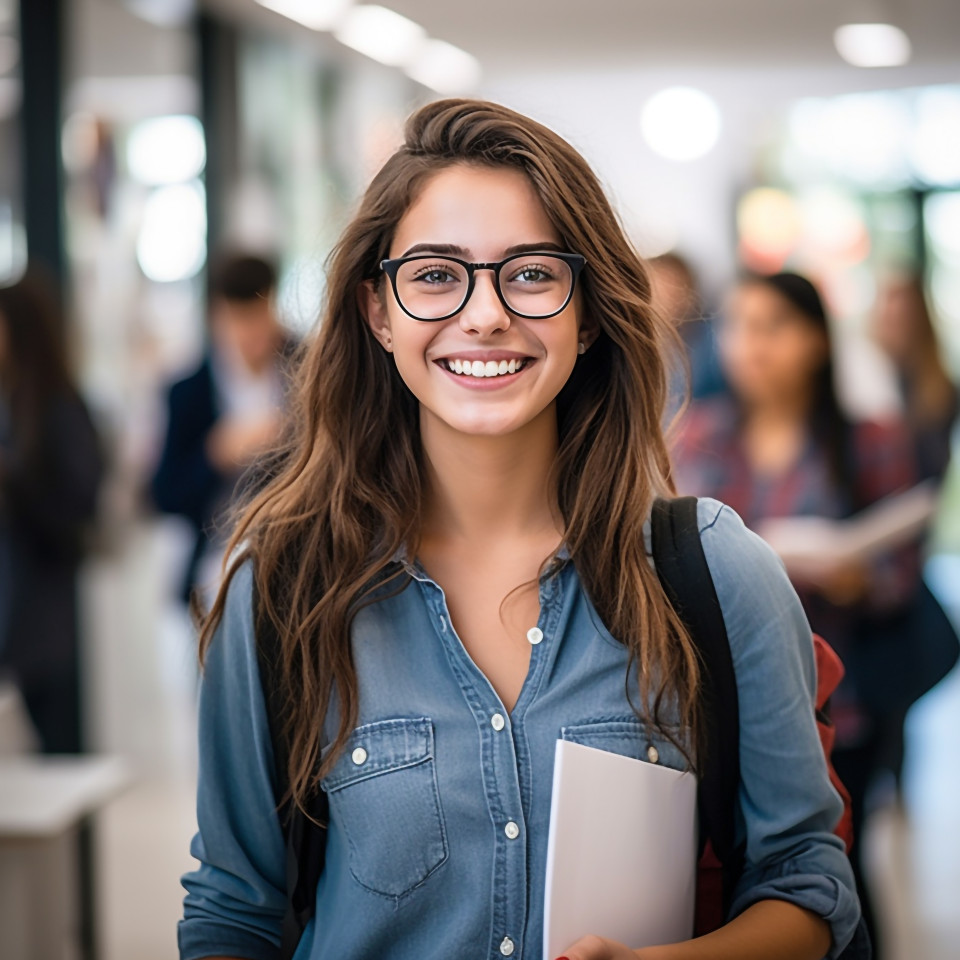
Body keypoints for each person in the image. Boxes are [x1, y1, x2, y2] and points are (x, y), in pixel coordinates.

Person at [179, 100, 860, 960]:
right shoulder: (283, 587)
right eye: (435, 274)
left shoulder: (715, 571)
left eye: (531, 273)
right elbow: (233, 914)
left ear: (589, 312)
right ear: (377, 311)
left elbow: (808, 886)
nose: (484, 314)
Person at [672, 271, 917, 958]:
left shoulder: (868, 439)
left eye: (772, 326)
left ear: (815, 340)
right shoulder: (700, 434)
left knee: (835, 859)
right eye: (737, 326)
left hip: (843, 691)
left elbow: (900, 573)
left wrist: (856, 577)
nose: (750, 345)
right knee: (732, 870)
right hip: (725, 692)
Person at [151, 253, 297, 607]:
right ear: (218, 317)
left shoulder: (310, 370)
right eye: (239, 319)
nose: (252, 333)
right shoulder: (188, 391)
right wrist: (214, 455)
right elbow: (164, 495)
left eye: (259, 316)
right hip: (213, 567)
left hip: (296, 562)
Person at [0, 269, 103, 753]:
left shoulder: (59, 407)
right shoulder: (11, 402)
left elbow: (79, 506)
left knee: (56, 751)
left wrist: (14, 484)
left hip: (40, 610)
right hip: (15, 602)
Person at [872, 272, 958, 484]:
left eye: (904, 320)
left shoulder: (940, 387)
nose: (896, 330)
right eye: (890, 321)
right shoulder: (869, 378)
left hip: (924, 492)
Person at [647, 251, 726, 400]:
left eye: (675, 289)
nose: (668, 300)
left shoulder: (713, 341)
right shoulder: (639, 344)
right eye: (660, 289)